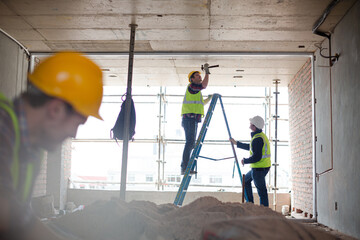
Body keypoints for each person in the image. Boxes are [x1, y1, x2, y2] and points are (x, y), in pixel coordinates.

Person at [0, 52, 103, 239]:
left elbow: (21, 218)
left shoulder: (31, 150)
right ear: (55, 109)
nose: (74, 134)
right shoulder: (2, 125)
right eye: (78, 123)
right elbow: (6, 214)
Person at [230, 116, 271, 207]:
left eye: (251, 124)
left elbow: (256, 157)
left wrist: (245, 161)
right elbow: (252, 147)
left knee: (262, 192)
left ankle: (264, 213)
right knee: (246, 181)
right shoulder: (259, 136)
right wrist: (237, 143)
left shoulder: (258, 138)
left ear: (254, 126)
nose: (249, 126)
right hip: (260, 167)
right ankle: (250, 205)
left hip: (259, 168)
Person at [180, 63, 212, 175]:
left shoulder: (195, 92)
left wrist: (209, 98)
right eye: (197, 76)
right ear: (192, 79)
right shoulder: (191, 87)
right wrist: (207, 72)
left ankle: (185, 167)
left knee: (192, 143)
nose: (200, 77)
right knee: (190, 143)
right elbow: (204, 85)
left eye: (200, 75)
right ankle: (184, 168)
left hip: (192, 120)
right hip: (189, 119)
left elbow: (201, 103)